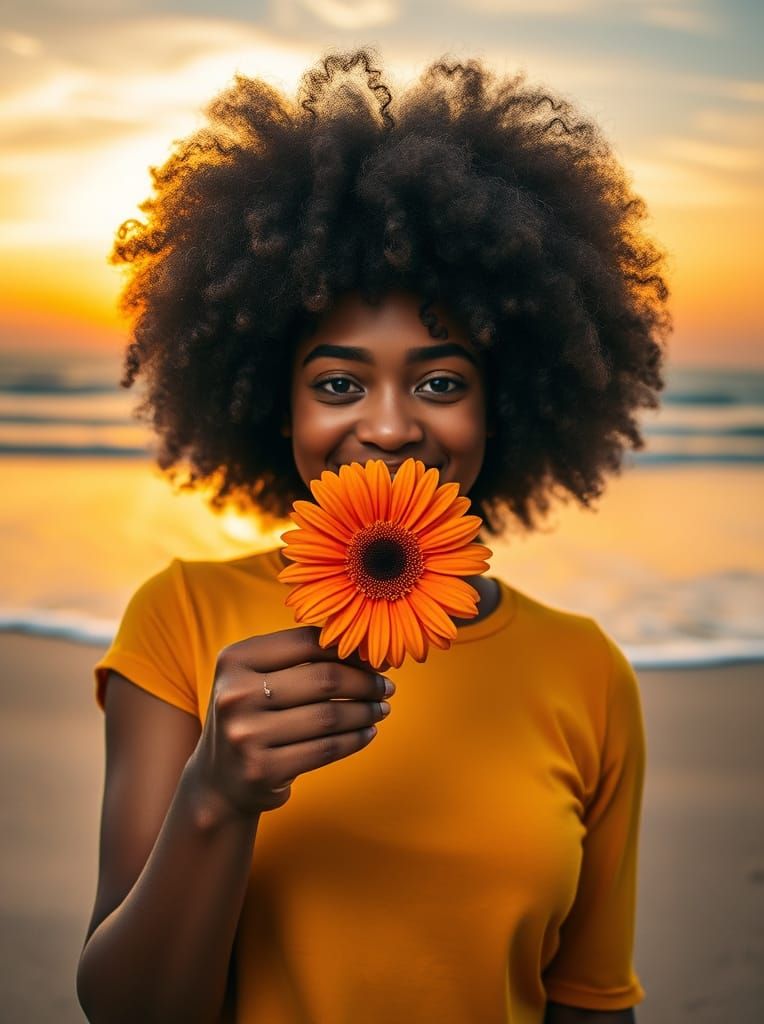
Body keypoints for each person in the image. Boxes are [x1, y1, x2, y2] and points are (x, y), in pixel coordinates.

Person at [76, 49, 669, 1024]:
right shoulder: (180, 619)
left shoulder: (589, 674)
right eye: (339, 383)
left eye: (440, 381)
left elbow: (592, 1004)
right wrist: (214, 796)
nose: (390, 426)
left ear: (500, 408)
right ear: (279, 408)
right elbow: (125, 1009)